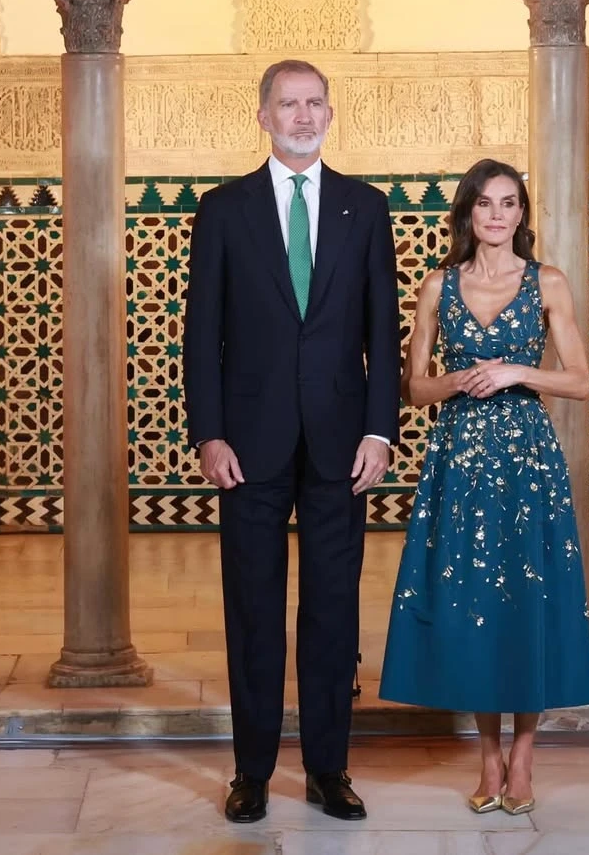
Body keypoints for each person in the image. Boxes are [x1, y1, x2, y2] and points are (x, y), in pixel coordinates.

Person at [183, 59, 401, 824]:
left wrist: (379, 429)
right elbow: (201, 334)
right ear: (263, 116)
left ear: (330, 114)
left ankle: (328, 770)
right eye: (288, 104)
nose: (303, 116)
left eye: (314, 103)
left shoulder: (365, 208)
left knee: (333, 609)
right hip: (248, 443)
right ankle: (251, 771)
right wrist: (208, 434)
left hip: (343, 444)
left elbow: (382, 331)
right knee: (253, 608)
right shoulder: (222, 210)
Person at [379, 158, 589, 814]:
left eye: (509, 203)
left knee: (528, 602)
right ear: (467, 213)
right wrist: (456, 382)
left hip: (528, 463)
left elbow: (580, 381)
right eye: (485, 203)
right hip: (459, 460)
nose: (497, 215)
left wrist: (515, 373)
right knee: (472, 602)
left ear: (522, 214)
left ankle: (524, 759)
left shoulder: (547, 281)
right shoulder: (437, 285)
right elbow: (414, 388)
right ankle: (489, 757)